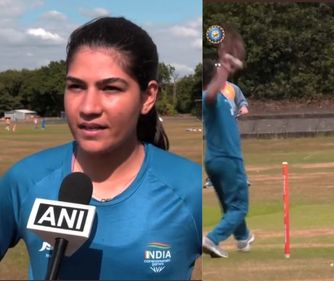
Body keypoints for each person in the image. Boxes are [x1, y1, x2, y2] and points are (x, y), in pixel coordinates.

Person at [0, 17, 201, 280]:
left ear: (148, 97)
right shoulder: (26, 181)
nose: (88, 107)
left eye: (110, 88)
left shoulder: (190, 188)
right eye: (76, 86)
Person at [202, 54, 254, 258]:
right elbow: (212, 93)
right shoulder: (209, 97)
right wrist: (226, 68)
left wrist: (226, 69)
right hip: (228, 159)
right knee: (240, 207)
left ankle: (243, 237)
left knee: (230, 207)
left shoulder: (223, 96)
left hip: (215, 160)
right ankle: (212, 239)